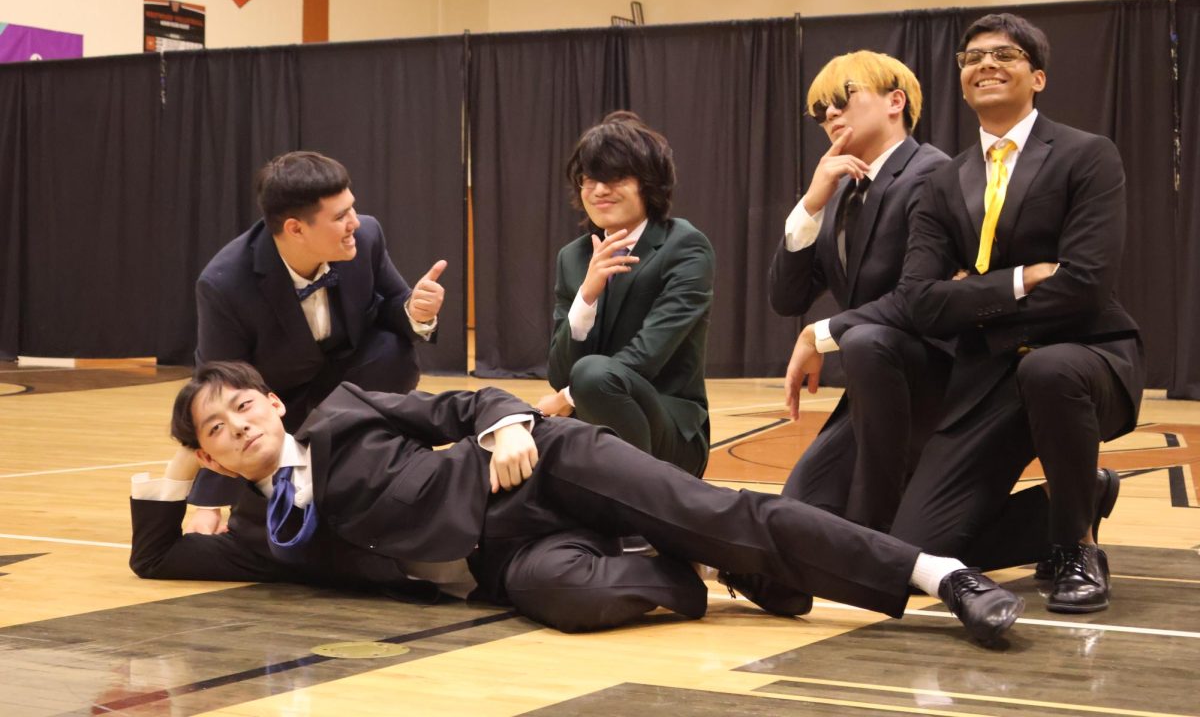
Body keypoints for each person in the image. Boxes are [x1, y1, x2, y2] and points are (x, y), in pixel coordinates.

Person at [129, 361, 1025, 646]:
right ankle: (709, 570)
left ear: (275, 404)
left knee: (724, 510)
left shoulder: (345, 412)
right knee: (572, 601)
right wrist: (178, 457)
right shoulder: (256, 530)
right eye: (214, 428)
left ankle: (940, 576)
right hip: (503, 565)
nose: (236, 424)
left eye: (244, 404)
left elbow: (460, 405)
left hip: (538, 474)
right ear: (205, 452)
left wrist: (510, 425)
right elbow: (156, 556)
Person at [885, 14, 1144, 613]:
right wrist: (1022, 279)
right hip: (987, 377)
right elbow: (920, 300)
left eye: (1005, 54)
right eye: (972, 58)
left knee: (1048, 370)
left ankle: (1076, 545)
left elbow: (1085, 285)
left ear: (1039, 76)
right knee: (914, 550)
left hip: (1088, 356)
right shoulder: (942, 182)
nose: (986, 64)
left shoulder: (1087, 155)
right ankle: (1074, 497)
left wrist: (973, 296)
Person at [187, 151, 447, 528]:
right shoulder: (224, 284)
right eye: (340, 217)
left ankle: (386, 459)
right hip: (281, 409)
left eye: (352, 209)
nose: (355, 223)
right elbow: (216, 387)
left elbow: (394, 304)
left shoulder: (367, 236)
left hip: (350, 387)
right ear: (295, 229)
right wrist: (208, 504)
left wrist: (417, 312)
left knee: (393, 351)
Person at [768, 51, 951, 532]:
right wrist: (810, 204)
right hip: (873, 387)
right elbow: (787, 298)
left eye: (842, 99)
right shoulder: (841, 189)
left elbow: (919, 298)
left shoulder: (932, 173)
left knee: (896, 533)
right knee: (798, 514)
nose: (829, 114)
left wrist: (818, 336)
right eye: (820, 109)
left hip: (933, 380)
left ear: (896, 101)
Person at [536, 112, 714, 477]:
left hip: (670, 437)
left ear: (649, 183)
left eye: (615, 177)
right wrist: (586, 298)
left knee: (591, 374)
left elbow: (648, 355)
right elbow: (558, 372)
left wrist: (568, 397)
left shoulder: (684, 246)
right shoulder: (574, 258)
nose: (600, 190)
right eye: (590, 179)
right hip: (593, 429)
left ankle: (639, 510)